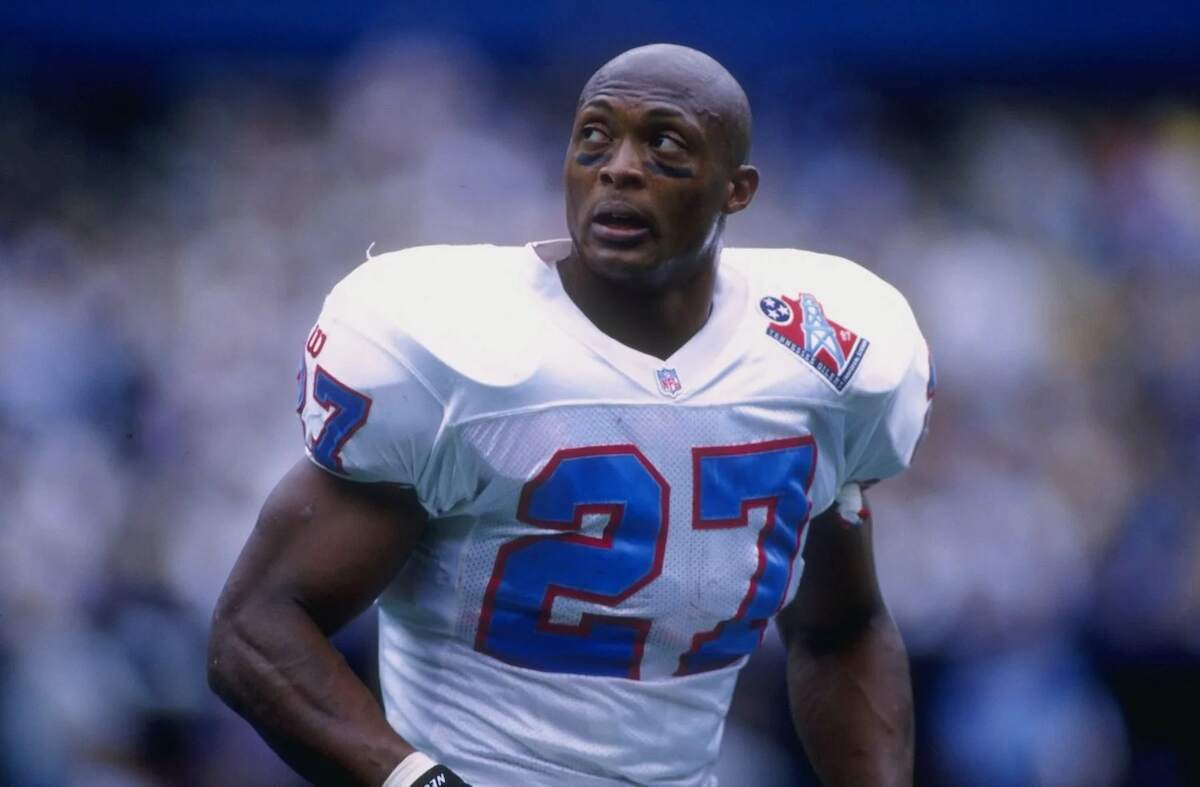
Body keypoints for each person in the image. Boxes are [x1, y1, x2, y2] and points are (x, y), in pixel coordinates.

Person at [208, 43, 932, 787]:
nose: (618, 167)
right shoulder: (456, 349)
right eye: (594, 136)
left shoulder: (814, 363)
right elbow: (255, 630)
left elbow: (842, 629)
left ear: (735, 189)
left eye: (665, 143)